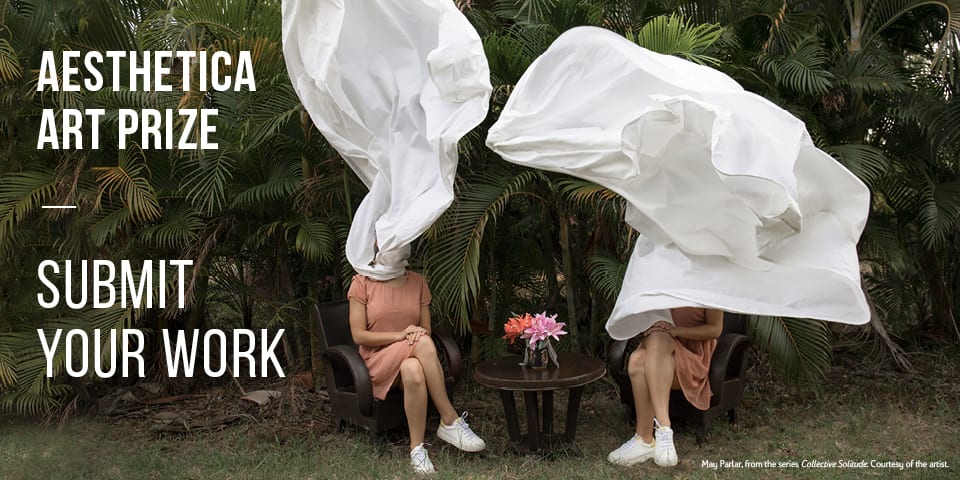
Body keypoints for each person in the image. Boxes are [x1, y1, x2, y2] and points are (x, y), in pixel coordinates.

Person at [348, 270, 485, 474]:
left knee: (412, 368)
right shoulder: (362, 282)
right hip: (377, 361)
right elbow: (359, 335)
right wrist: (400, 336)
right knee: (423, 342)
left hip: (412, 354)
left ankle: (417, 450)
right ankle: (449, 418)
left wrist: (413, 336)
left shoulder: (417, 281)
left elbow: (425, 329)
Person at [607, 307, 723, 467]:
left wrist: (676, 331)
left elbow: (715, 329)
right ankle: (650, 437)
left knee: (639, 358)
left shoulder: (708, 291)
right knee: (641, 355)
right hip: (661, 343)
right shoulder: (660, 289)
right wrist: (650, 325)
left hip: (692, 354)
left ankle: (655, 433)